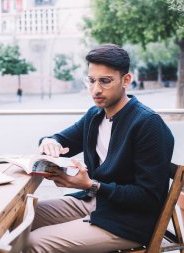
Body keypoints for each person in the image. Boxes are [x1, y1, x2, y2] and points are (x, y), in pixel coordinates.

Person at [26, 44, 174, 252]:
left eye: (105, 81)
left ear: (126, 80)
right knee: (22, 215)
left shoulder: (148, 124)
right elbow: (61, 139)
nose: (96, 89)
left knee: (34, 243)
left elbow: (148, 198)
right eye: (92, 80)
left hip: (128, 222)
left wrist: (91, 185)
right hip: (96, 202)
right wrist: (49, 141)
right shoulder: (95, 115)